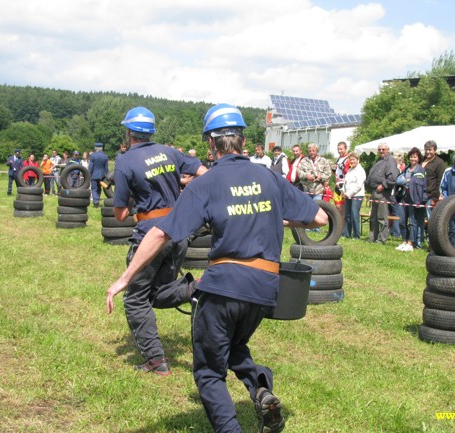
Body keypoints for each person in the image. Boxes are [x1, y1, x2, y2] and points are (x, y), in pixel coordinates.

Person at [106, 103, 327, 433]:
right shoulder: (268, 176)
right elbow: (320, 218)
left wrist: (124, 279)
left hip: (225, 286)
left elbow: (161, 232)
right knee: (234, 346)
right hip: (265, 288)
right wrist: (272, 215)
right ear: (242, 138)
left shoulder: (206, 184)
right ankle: (260, 389)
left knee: (208, 371)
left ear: (210, 143)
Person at [107, 106, 207, 376]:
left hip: (151, 236)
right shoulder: (170, 152)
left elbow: (120, 215)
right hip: (179, 233)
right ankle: (196, 289)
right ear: (151, 131)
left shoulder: (126, 161)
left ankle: (155, 361)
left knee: (135, 299)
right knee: (158, 292)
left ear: (129, 133)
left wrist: (127, 202)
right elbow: (204, 173)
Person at [365, 142, 399, 244]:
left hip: (382, 193)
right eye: (379, 149)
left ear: (388, 150)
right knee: (374, 217)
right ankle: (372, 238)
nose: (381, 151)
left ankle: (382, 239)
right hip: (374, 191)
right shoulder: (379, 160)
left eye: (383, 149)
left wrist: (383, 185)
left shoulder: (390, 161)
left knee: (382, 217)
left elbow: (392, 178)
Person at [395, 147, 428, 251]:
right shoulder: (406, 169)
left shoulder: (421, 170)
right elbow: (399, 180)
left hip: (414, 199)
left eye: (415, 157)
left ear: (418, 159)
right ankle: (404, 241)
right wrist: (406, 181)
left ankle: (410, 242)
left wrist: (408, 181)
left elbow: (422, 185)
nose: (413, 159)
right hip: (403, 197)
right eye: (411, 157)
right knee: (402, 221)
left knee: (413, 222)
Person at [342, 152, 366, 238]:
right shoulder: (349, 170)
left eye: (353, 159)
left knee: (354, 215)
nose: (351, 161)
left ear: (358, 160)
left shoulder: (360, 171)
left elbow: (358, 185)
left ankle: (356, 235)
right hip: (347, 195)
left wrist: (349, 193)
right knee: (347, 215)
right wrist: (344, 192)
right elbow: (346, 183)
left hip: (357, 195)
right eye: (350, 160)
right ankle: (347, 234)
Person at [422, 140, 446, 220]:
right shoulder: (421, 160)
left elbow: (440, 181)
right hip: (419, 195)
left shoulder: (439, 163)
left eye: (430, 150)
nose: (428, 152)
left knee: (431, 219)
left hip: (430, 196)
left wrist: (435, 198)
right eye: (426, 149)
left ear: (435, 150)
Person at [333, 141, 351, 231]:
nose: (339, 151)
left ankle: (342, 229)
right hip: (337, 185)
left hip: (343, 186)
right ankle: (338, 227)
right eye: (338, 149)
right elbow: (336, 173)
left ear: (345, 149)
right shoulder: (338, 158)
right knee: (337, 207)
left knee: (342, 208)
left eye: (341, 149)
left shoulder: (348, 159)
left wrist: (343, 168)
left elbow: (349, 172)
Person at [88, 142, 109, 208]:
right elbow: (106, 168)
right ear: (101, 148)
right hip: (102, 175)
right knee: (99, 188)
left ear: (95, 147)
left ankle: (95, 202)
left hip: (94, 175)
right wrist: (106, 176)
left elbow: (91, 166)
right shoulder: (105, 156)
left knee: (94, 188)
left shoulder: (92, 155)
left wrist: (89, 174)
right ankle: (97, 200)